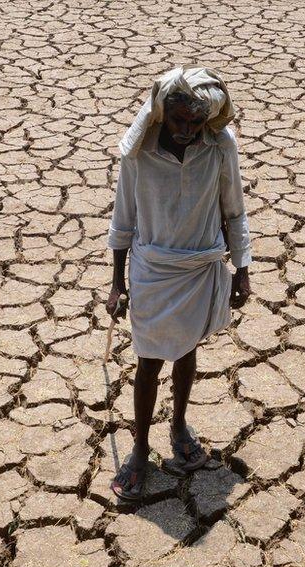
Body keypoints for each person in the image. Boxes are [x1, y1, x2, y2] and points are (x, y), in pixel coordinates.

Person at [105, 66, 252, 501]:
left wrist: (242, 270)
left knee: (187, 348)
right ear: (162, 115)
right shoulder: (140, 152)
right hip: (153, 268)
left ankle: (180, 424)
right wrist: (117, 283)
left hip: (199, 266)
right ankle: (139, 448)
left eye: (195, 121)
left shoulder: (220, 145)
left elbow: (234, 211)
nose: (187, 130)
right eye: (179, 121)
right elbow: (123, 220)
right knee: (149, 360)